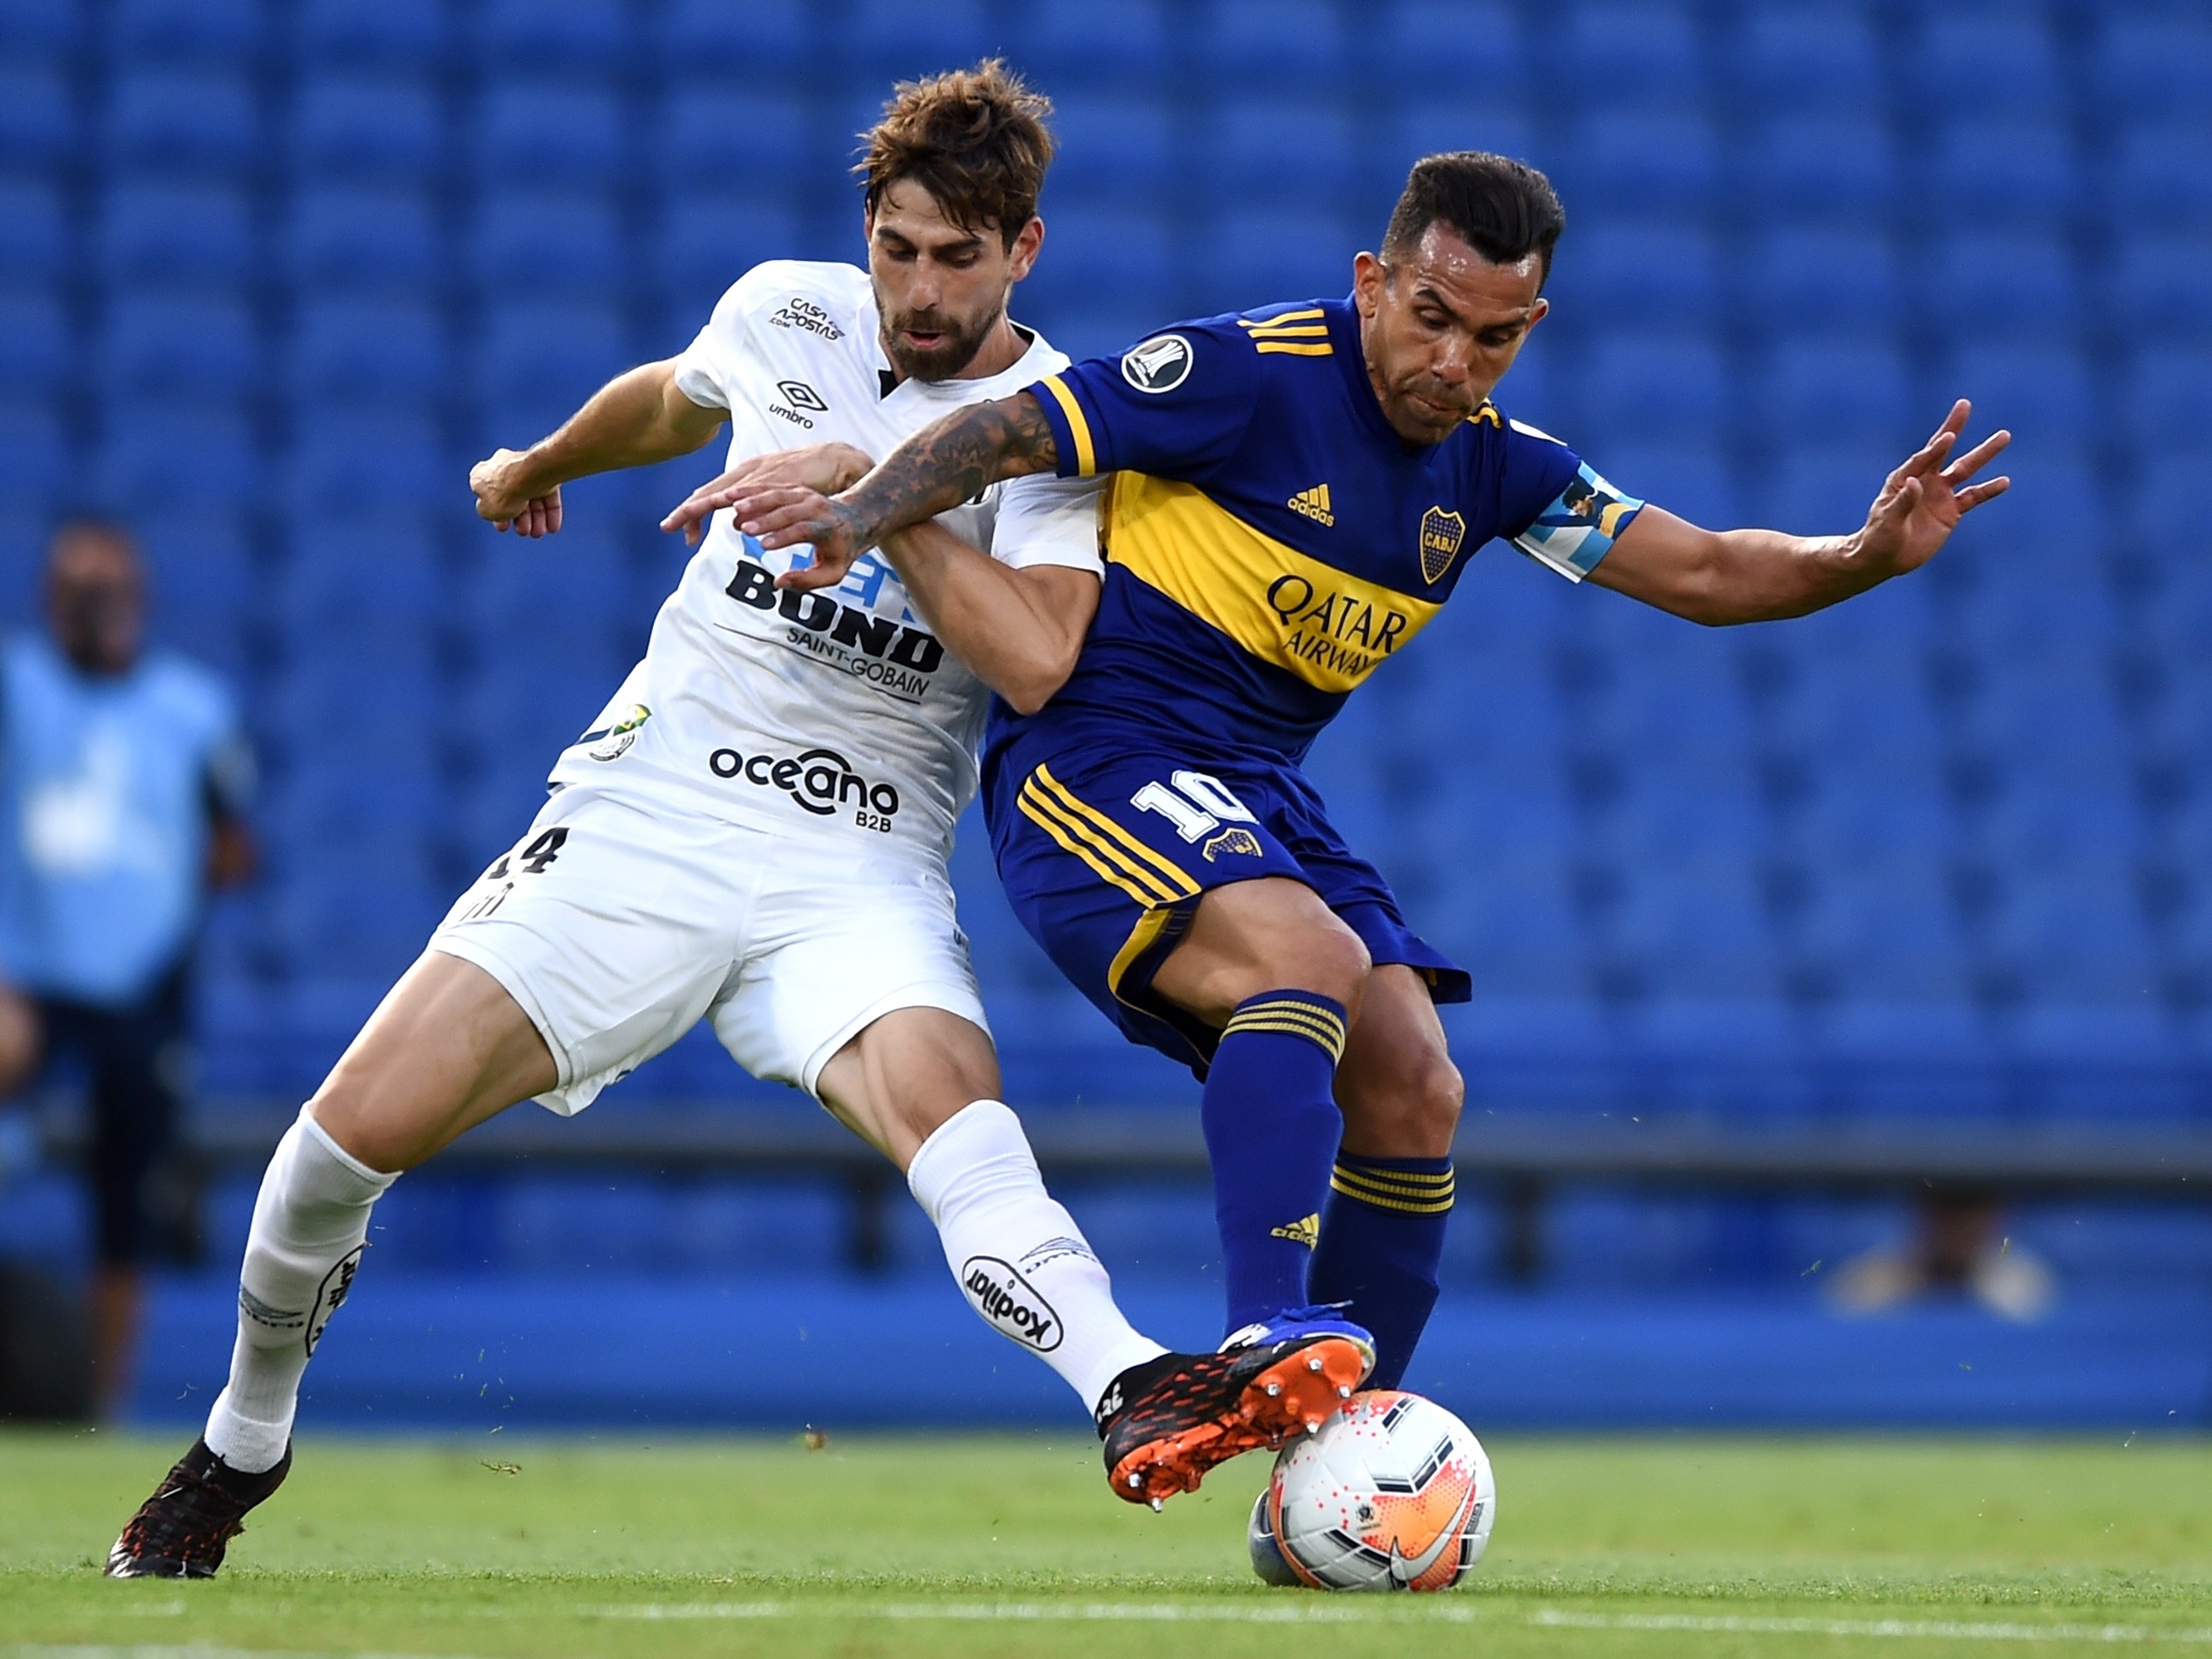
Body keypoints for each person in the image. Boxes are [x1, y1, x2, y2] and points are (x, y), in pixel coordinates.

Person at [105, 62, 1367, 1583]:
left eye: (958, 257)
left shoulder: (1052, 427)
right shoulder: (790, 308)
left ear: (1024, 248)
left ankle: (1124, 1382)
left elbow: (1037, 654)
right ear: (867, 230)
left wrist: (878, 491)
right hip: (652, 813)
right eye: (898, 247)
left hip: (857, 857)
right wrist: (538, 464)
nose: (918, 288)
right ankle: (246, 1435)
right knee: (329, 1152)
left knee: (952, 1108)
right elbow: (674, 391)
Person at [679, 150, 2013, 1411]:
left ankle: (1342, 1440)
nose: (1455, 360)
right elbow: (1010, 428)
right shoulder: (1240, 373)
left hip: (1254, 790)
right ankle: (1265, 1327)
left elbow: (1712, 572)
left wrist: (1859, 555)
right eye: (1431, 316)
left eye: (1493, 336)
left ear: (1529, 324)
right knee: (1300, 957)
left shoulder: (1500, 468)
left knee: (1414, 1080)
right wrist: (857, 512)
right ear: (1372, 282)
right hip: (1095, 760)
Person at [0, 518, 257, 1416]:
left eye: (112, 589)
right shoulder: (18, 687)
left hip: (144, 986)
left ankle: (95, 1403)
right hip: (26, 973)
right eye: (80, 590)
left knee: (127, 1201)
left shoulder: (191, 709)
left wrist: (164, 880)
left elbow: (233, 843)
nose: (99, 606)